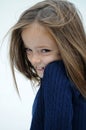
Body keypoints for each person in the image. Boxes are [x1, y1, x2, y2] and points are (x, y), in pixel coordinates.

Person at [9, 0, 86, 129]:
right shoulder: (77, 82)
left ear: (69, 46)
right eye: (28, 50)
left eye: (45, 50)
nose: (34, 60)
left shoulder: (55, 72)